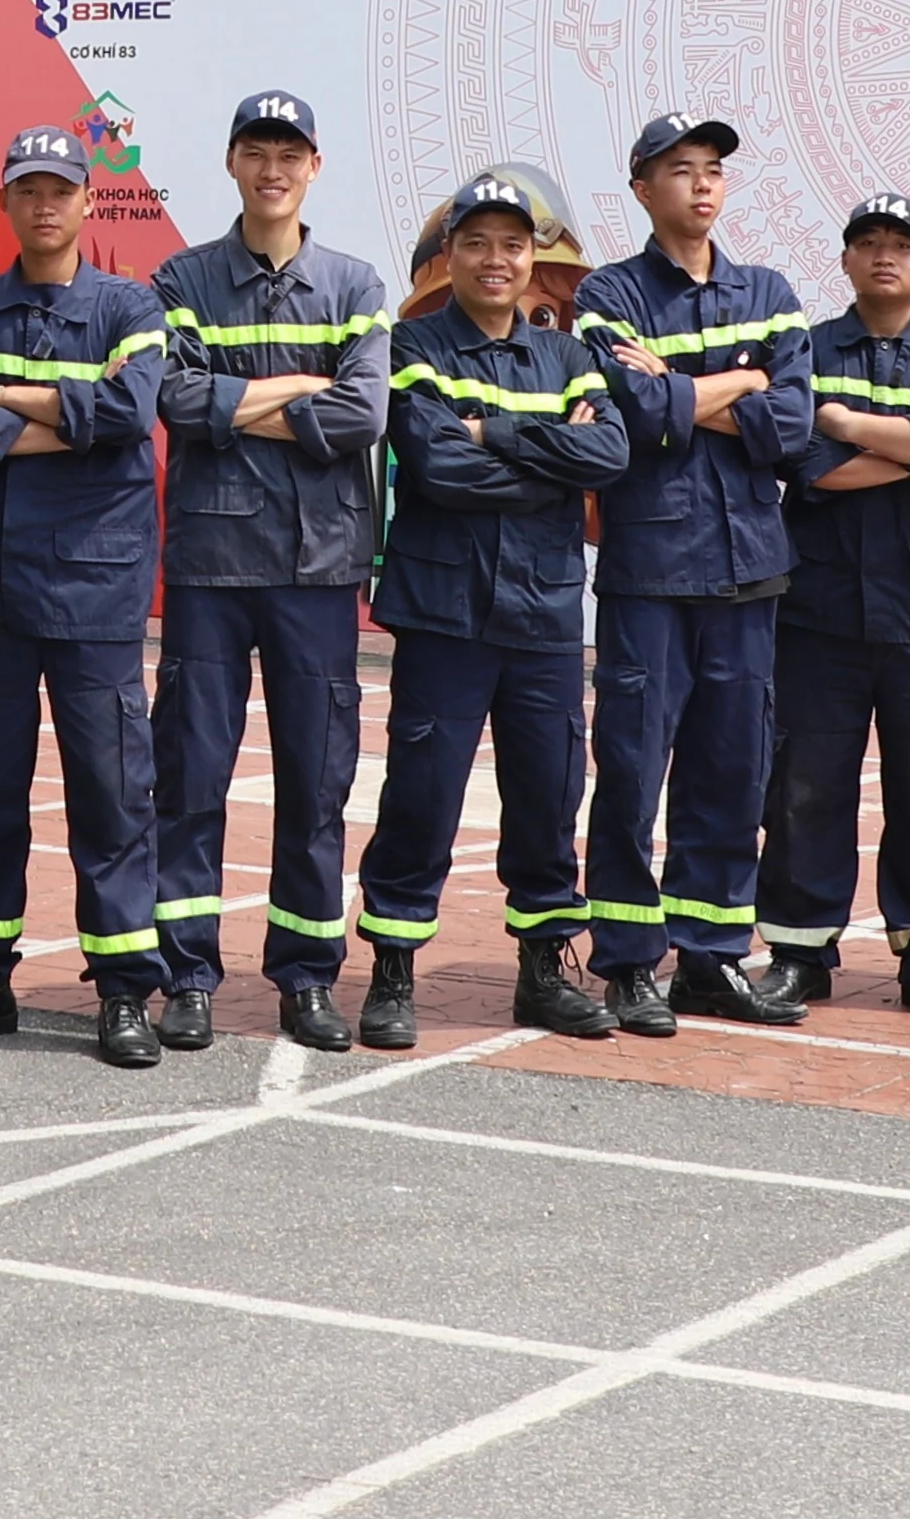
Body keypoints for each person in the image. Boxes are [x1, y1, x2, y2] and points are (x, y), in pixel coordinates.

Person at [352, 171, 632, 1050]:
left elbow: (611, 453)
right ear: (450, 256)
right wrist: (550, 452)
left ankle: (544, 972)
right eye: (477, 242)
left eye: (514, 244)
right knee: (422, 796)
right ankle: (392, 972)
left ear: (534, 256)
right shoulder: (411, 347)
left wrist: (493, 432)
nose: (497, 260)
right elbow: (438, 468)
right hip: (444, 612)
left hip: (543, 615)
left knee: (549, 795)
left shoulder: (570, 353)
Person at [0, 126, 174, 1068]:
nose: (43, 204)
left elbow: (129, 414)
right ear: (7, 203)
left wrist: (12, 393)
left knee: (111, 793)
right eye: (26, 188)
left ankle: (121, 991)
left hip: (94, 591)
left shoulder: (131, 305)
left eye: (60, 188)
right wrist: (69, 410)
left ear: (86, 200)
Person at [150, 88, 394, 1056]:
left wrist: (239, 401)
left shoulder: (355, 283)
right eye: (257, 148)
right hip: (213, 562)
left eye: (291, 151)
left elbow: (364, 414)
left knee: (316, 779)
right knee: (192, 775)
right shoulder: (182, 276)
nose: (274, 167)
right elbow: (174, 397)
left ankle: (304, 976)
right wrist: (300, 386)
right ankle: (188, 974)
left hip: (319, 565)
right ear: (233, 162)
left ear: (315, 167)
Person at [571, 113, 822, 1033]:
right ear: (644, 188)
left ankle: (712, 956)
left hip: (749, 572)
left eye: (714, 171)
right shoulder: (610, 292)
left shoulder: (771, 291)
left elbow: (794, 427)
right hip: (652, 572)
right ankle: (632, 960)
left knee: (732, 769)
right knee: (633, 770)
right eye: (682, 171)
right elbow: (633, 415)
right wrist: (743, 382)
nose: (704, 187)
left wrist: (691, 387)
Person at [757, 193, 910, 1030]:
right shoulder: (804, 350)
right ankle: (798, 953)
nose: (884, 256)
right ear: (846, 260)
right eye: (867, 243)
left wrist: (852, 424)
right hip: (817, 607)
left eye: (902, 244)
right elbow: (806, 461)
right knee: (803, 786)